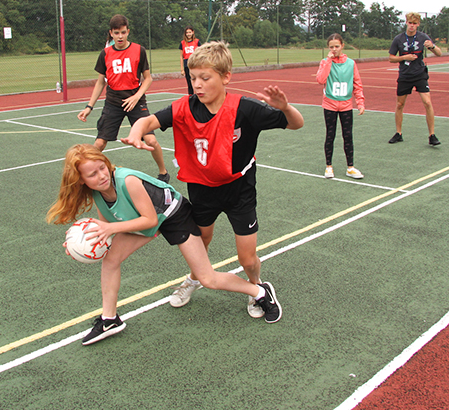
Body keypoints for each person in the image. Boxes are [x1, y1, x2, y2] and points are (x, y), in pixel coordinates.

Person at [122, 41, 304, 319]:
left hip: (239, 190)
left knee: (247, 257)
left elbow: (296, 123)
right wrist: (136, 132)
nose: (197, 84)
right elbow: (147, 121)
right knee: (201, 241)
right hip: (202, 190)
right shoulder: (184, 107)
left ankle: (257, 288)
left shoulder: (246, 109)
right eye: (193, 78)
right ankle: (194, 278)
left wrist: (286, 108)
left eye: (205, 78)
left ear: (225, 77)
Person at [46, 144, 282, 346]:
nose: (101, 175)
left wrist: (110, 229)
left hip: (174, 216)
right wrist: (86, 245)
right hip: (144, 221)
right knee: (110, 260)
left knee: (208, 278)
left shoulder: (127, 181)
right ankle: (109, 320)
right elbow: (111, 225)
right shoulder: (97, 192)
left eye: (102, 167)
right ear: (81, 181)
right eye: (92, 174)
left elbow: (148, 220)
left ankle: (261, 291)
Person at [77, 14, 169, 182]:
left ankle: (163, 173)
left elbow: (148, 78)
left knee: (151, 141)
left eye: (123, 32)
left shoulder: (139, 50)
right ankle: (84, 176)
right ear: (111, 33)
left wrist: (136, 96)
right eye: (117, 33)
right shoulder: (105, 54)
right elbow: (100, 83)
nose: (120, 36)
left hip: (136, 101)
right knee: (99, 145)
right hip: (113, 102)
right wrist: (89, 107)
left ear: (128, 32)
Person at [388, 12, 442, 146]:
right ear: (406, 23)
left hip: (420, 74)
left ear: (418, 24)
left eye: (414, 23)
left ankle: (432, 135)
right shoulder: (398, 39)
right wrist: (404, 57)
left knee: (427, 103)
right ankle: (398, 133)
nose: (412, 26)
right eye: (410, 23)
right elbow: (391, 58)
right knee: (400, 104)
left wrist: (432, 47)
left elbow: (439, 53)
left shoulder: (423, 37)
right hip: (405, 75)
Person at [316, 34, 365, 180]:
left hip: (346, 105)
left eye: (337, 46)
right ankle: (328, 166)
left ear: (342, 46)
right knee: (330, 135)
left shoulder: (351, 63)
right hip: (330, 105)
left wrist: (360, 102)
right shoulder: (325, 62)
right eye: (331, 47)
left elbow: (357, 84)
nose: (334, 49)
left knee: (348, 135)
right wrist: (329, 61)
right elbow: (320, 79)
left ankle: (350, 167)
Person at [179, 26, 201, 95]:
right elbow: (181, 56)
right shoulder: (182, 43)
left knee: (197, 81)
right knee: (189, 83)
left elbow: (201, 53)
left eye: (190, 32)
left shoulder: (197, 42)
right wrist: (182, 69)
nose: (188, 34)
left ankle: (199, 95)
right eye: (187, 32)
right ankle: (191, 97)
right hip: (187, 64)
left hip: (195, 64)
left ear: (193, 32)